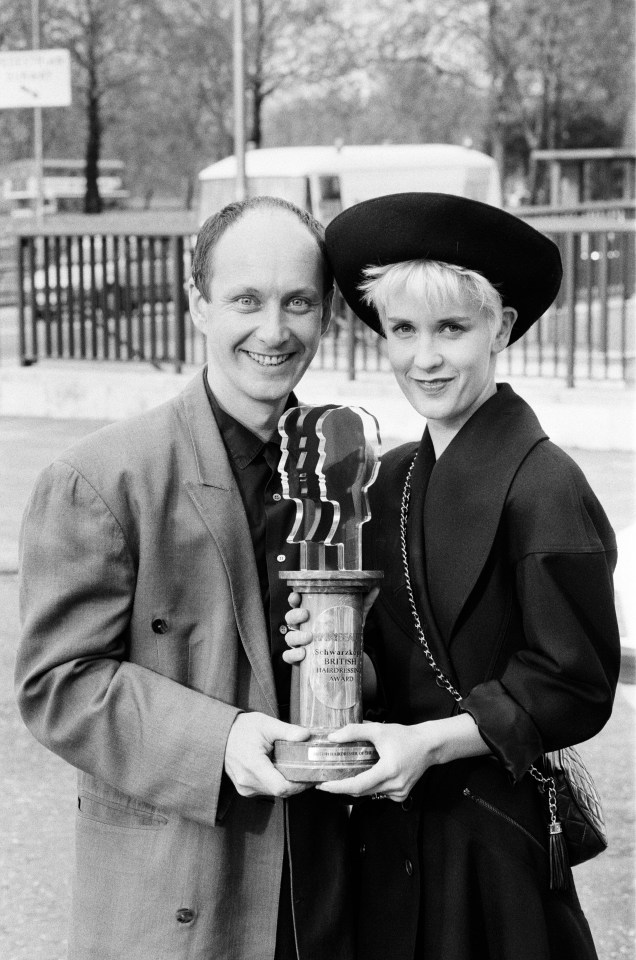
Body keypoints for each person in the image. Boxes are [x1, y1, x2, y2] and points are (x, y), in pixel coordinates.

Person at [15, 196, 355, 960]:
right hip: (177, 897)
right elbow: (58, 685)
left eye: (298, 302)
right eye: (246, 300)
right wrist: (221, 738)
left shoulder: (347, 469)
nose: (274, 331)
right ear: (196, 302)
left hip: (326, 892)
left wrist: (353, 663)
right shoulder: (102, 478)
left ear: (327, 313)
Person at [284, 193, 620, 960]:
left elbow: (574, 683)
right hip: (383, 832)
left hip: (485, 850)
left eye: (451, 329)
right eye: (402, 330)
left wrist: (431, 744)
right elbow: (395, 659)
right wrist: (339, 657)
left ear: (500, 328)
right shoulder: (388, 476)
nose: (424, 358)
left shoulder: (546, 485)